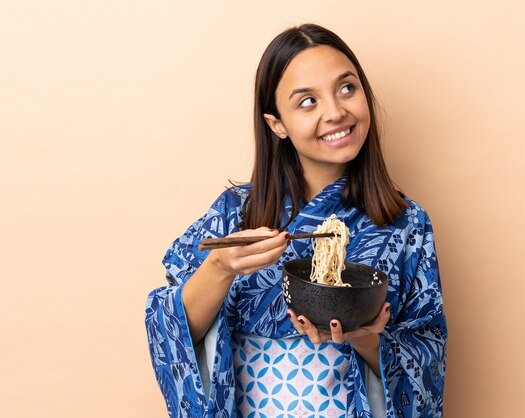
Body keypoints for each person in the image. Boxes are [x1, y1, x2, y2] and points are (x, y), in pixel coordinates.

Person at [145, 23, 447, 418]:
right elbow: (172, 329)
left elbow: (427, 356)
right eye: (307, 102)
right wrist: (220, 266)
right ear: (277, 124)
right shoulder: (236, 212)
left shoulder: (406, 224)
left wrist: (365, 339)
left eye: (347, 88)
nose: (336, 112)